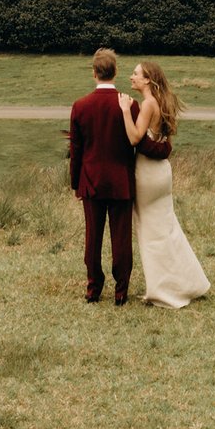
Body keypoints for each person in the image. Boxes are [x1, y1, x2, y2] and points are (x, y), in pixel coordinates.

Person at [119, 60, 211, 308]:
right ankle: (187, 280)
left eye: (136, 74)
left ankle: (162, 290)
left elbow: (135, 137)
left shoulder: (148, 104)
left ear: (148, 79)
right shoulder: (162, 102)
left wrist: (126, 110)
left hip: (148, 173)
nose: (131, 77)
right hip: (162, 173)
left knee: (151, 233)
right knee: (167, 228)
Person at [66, 46, 137, 304]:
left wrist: (76, 184)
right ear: (115, 71)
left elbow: (76, 150)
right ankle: (121, 291)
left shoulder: (80, 106)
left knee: (92, 236)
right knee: (121, 237)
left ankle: (93, 288)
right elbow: (136, 144)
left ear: (94, 72)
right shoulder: (129, 104)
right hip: (121, 181)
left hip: (91, 180)